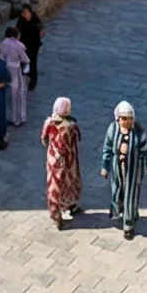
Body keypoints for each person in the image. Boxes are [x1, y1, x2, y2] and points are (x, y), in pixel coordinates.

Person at [100, 101, 147, 239]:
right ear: (118, 118)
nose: (127, 121)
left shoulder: (138, 131)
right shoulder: (113, 129)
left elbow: (145, 149)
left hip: (133, 171)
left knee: (131, 196)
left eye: (130, 118)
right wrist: (105, 167)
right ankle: (120, 211)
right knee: (117, 193)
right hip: (117, 170)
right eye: (124, 118)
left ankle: (128, 226)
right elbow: (107, 148)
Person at [41, 97, 83, 226]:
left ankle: (56, 214)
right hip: (70, 161)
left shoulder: (49, 123)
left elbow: (43, 139)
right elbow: (78, 139)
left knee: (55, 186)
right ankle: (70, 205)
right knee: (71, 182)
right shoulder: (72, 126)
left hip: (54, 161)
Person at [15, 1, 45, 91]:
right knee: (20, 63)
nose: (24, 15)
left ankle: (33, 82)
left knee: (32, 63)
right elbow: (17, 31)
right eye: (23, 13)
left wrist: (41, 31)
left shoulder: (35, 19)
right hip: (24, 45)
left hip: (34, 45)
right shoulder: (21, 21)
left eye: (26, 12)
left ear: (30, 12)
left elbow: (41, 29)